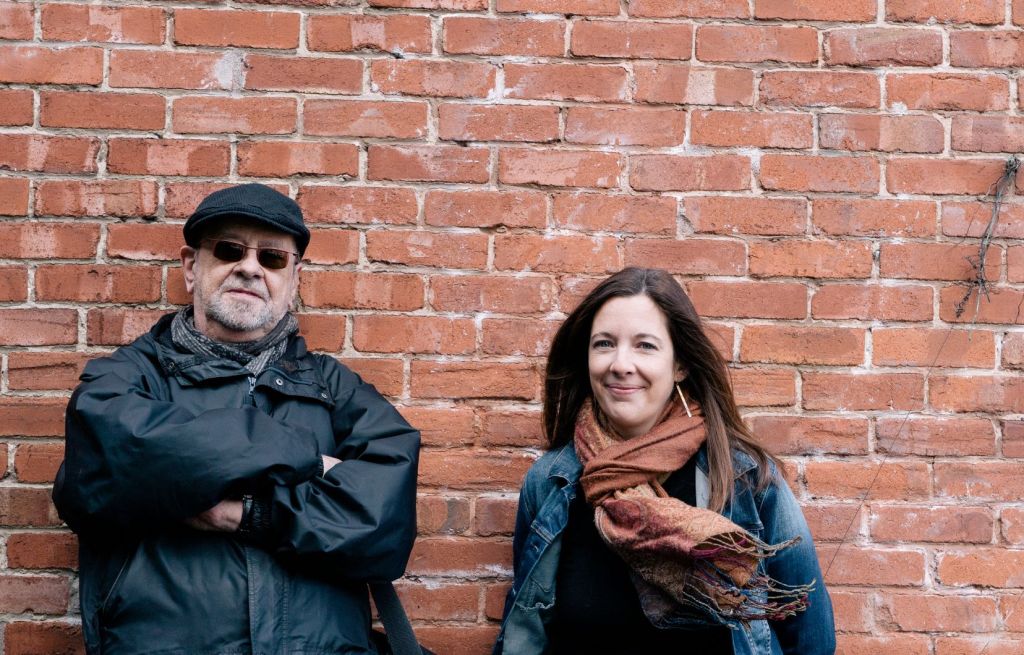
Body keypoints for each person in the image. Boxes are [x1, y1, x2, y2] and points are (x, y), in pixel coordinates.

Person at [53, 183, 420, 655]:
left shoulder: (335, 389)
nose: (250, 267)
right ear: (192, 267)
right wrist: (305, 458)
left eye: (272, 258)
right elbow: (102, 475)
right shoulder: (128, 378)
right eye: (229, 250)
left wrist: (251, 513)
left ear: (294, 279)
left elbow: (383, 523)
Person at [494, 267, 835, 655]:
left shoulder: (744, 479)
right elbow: (525, 632)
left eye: (645, 345)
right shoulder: (550, 483)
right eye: (604, 344)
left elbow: (810, 638)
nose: (620, 363)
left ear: (680, 365)